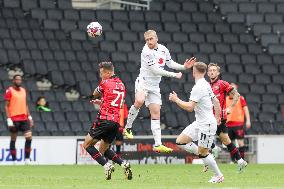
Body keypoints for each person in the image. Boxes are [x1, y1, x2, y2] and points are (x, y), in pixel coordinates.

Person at [124, 29, 196, 153]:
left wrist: (183, 67)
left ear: (156, 38)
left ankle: (158, 145)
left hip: (154, 86)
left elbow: (170, 63)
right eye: (147, 40)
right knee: (140, 100)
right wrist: (174, 75)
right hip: (144, 82)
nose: (149, 42)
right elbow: (155, 70)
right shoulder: (146, 51)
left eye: (151, 39)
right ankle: (128, 128)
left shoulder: (163, 49)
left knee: (156, 113)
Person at [169, 62, 224, 183]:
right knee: (180, 142)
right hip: (200, 122)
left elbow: (190, 107)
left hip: (206, 124)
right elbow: (216, 102)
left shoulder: (198, 87)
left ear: (194, 71)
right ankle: (205, 157)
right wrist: (217, 117)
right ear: (205, 72)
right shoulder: (206, 84)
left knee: (203, 153)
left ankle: (218, 175)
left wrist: (176, 99)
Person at [82, 62, 132, 180]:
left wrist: (93, 97)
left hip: (104, 119)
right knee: (103, 149)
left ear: (108, 72)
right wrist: (102, 102)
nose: (101, 76)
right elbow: (118, 105)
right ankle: (123, 164)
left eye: (102, 73)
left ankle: (106, 165)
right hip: (115, 122)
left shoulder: (105, 82)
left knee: (87, 145)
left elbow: (95, 93)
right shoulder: (122, 85)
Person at [206, 63, 247, 172]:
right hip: (210, 117)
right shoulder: (206, 86)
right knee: (226, 141)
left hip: (219, 118)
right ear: (207, 73)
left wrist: (230, 108)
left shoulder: (222, 84)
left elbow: (237, 95)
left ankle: (213, 151)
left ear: (218, 73)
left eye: (214, 70)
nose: (212, 72)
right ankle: (240, 161)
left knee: (204, 134)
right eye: (210, 70)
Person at [4, 75, 34, 164]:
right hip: (14, 119)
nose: (19, 81)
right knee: (13, 139)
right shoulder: (9, 91)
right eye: (17, 79)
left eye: (20, 80)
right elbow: (6, 106)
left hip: (24, 118)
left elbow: (25, 104)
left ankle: (27, 159)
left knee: (29, 138)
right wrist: (8, 118)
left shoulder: (24, 90)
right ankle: (14, 160)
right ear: (13, 81)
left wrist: (30, 117)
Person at [226, 83, 251, 161]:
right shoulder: (225, 99)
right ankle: (233, 160)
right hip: (228, 124)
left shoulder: (240, 98)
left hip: (238, 123)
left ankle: (242, 160)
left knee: (240, 142)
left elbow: (245, 109)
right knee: (230, 143)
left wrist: (248, 120)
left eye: (234, 89)